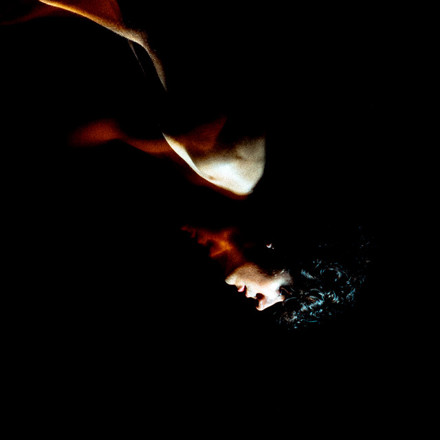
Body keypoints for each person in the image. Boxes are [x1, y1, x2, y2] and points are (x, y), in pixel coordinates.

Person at [1, 0, 372, 329]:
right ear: (285, 252)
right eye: (285, 294)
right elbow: (150, 23)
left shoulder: (234, 175)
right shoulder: (225, 161)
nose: (262, 305)